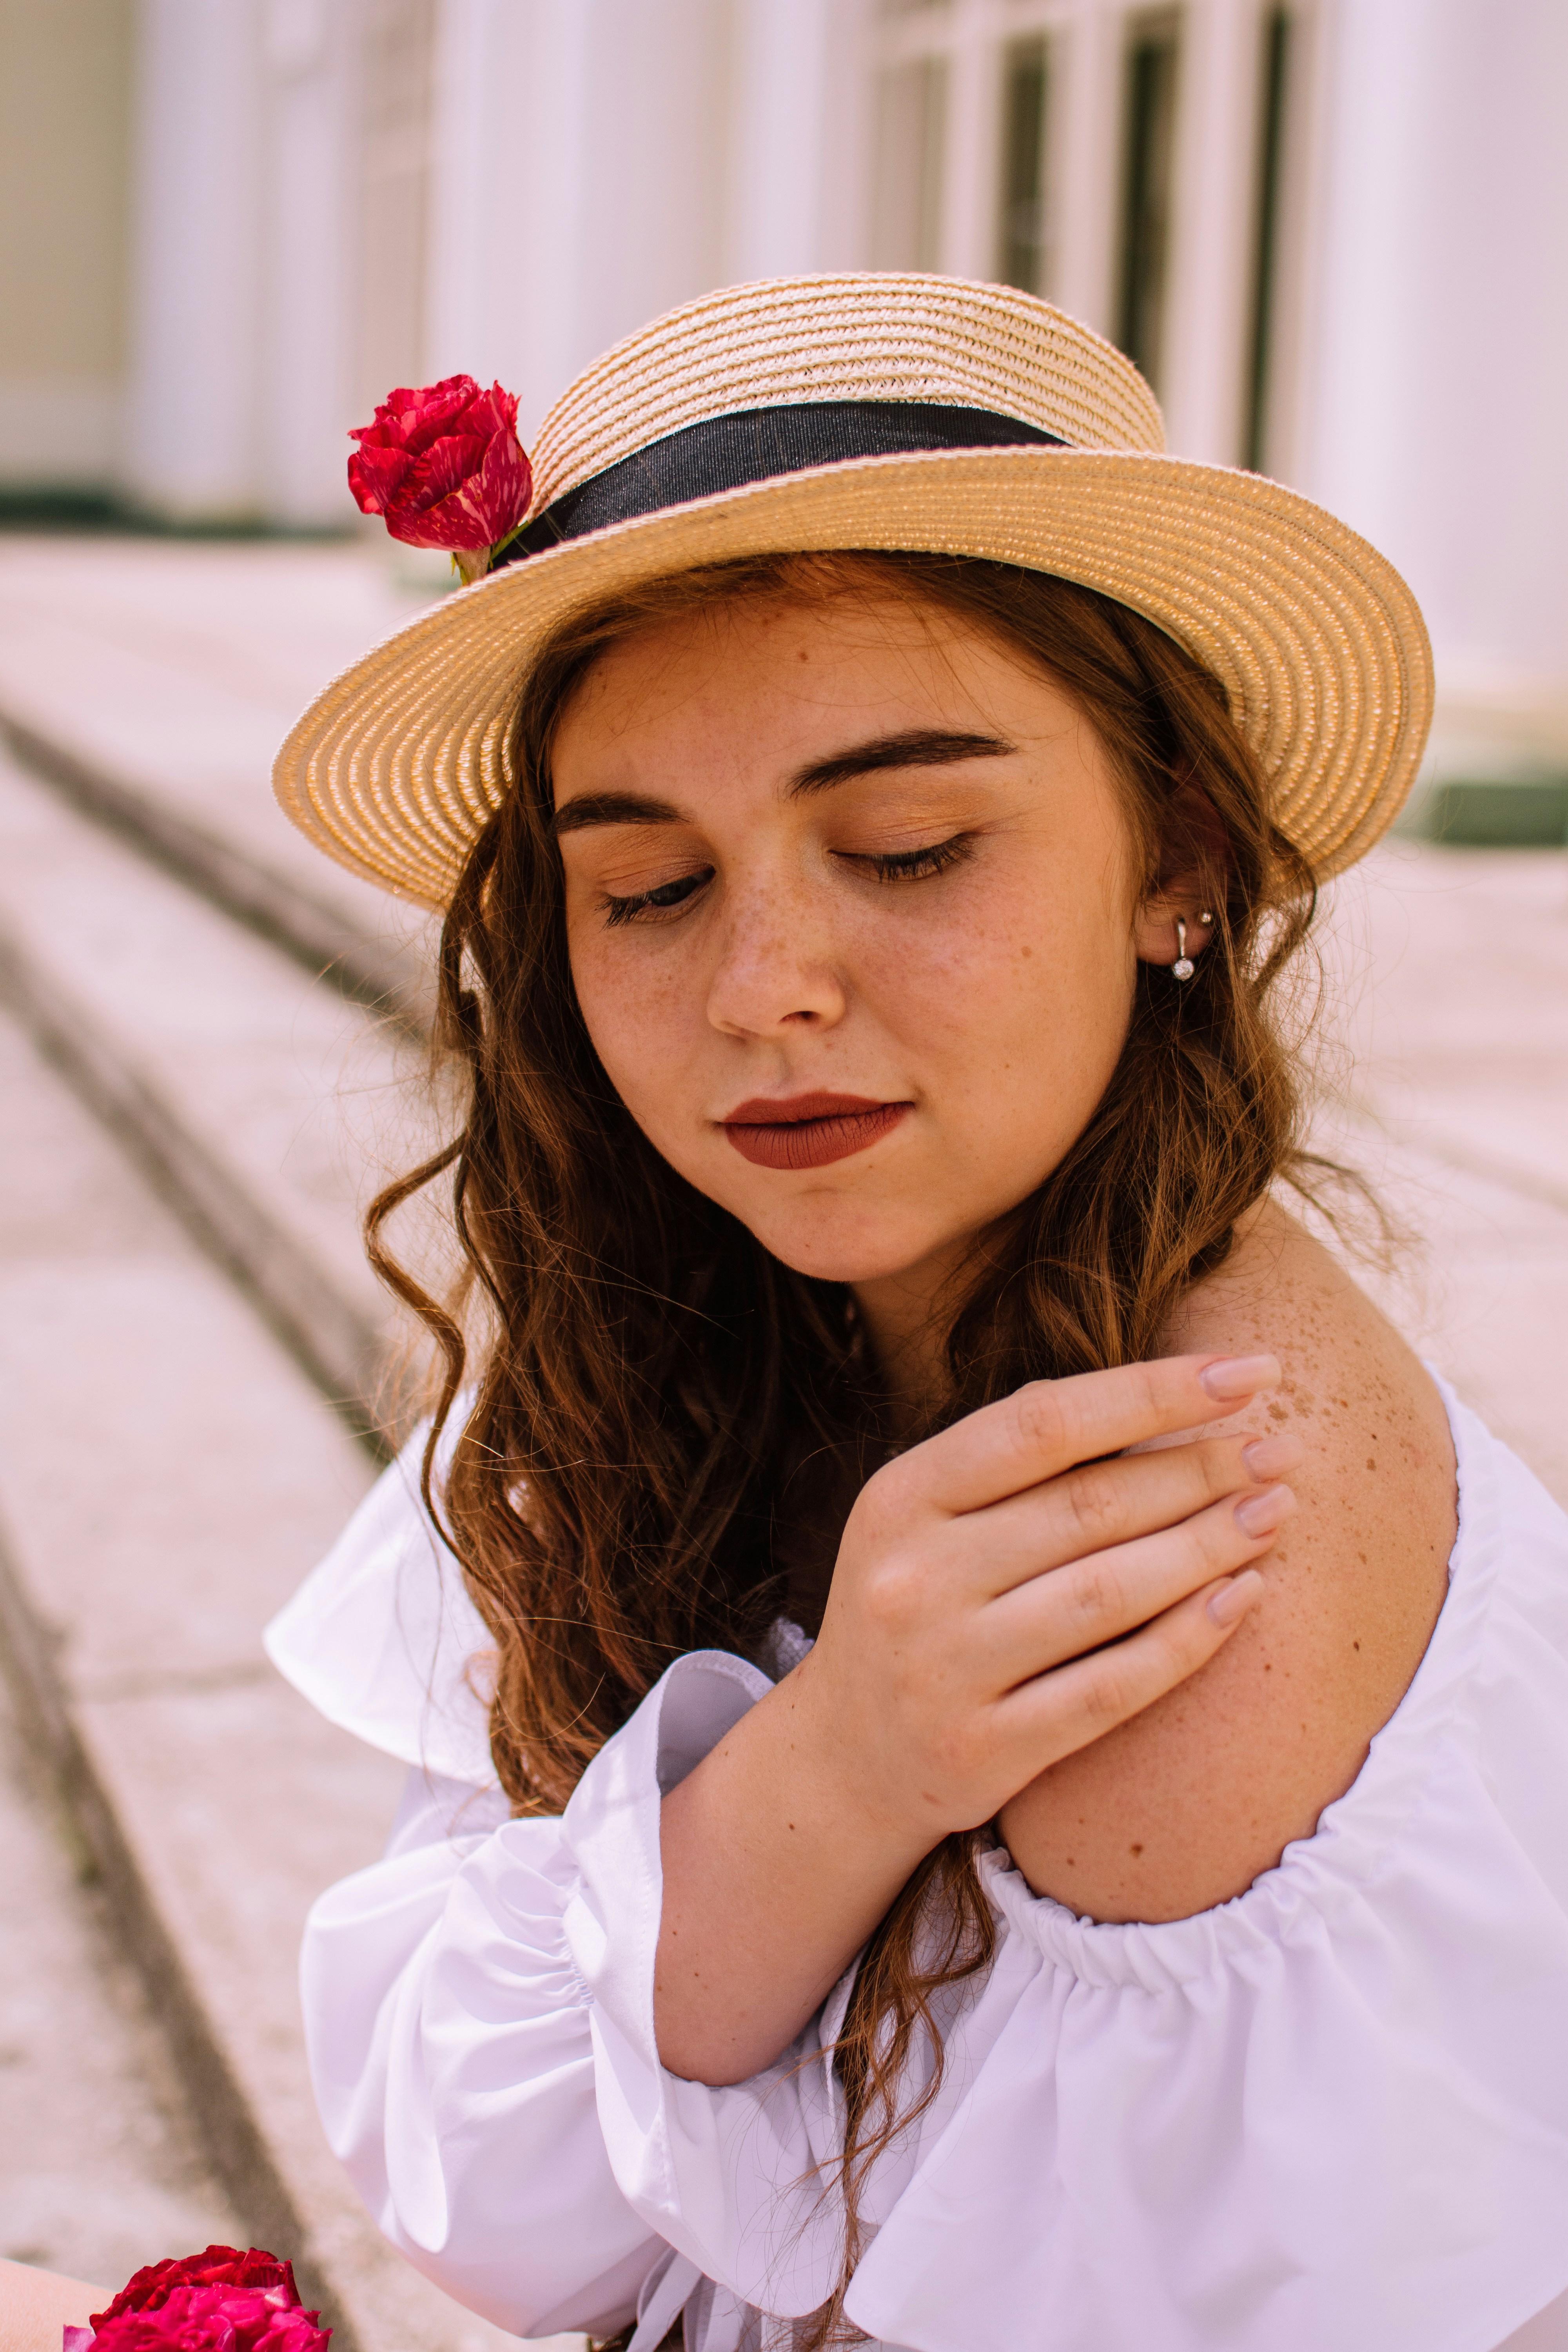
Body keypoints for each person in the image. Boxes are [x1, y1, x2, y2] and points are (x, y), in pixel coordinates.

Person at [264, 275, 1568, 2352]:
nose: (761, 985)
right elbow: (491, 2201)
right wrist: (839, 1768)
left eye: (906, 842)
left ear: (1183, 859)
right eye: (649, 888)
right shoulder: (688, 1324)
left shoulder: (1189, 1536)